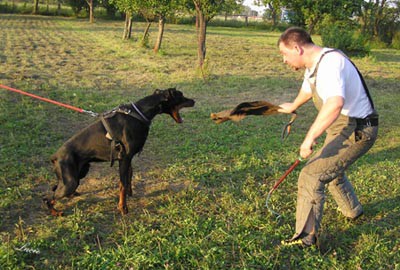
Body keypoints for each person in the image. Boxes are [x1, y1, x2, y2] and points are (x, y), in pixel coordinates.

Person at [276, 27, 379, 247]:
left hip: (357, 129)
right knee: (330, 170)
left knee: (311, 175)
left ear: (297, 48)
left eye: (284, 54)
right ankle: (353, 211)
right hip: (343, 125)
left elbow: (334, 103)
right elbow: (308, 88)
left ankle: (305, 238)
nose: (284, 60)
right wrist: (293, 105)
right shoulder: (314, 64)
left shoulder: (331, 63)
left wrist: (309, 138)